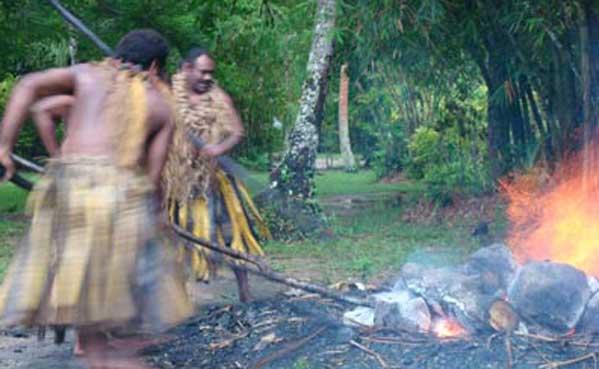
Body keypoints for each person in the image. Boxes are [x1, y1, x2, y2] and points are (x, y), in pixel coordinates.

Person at [0, 29, 192, 369]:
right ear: (155, 67)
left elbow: (28, 86)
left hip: (68, 189)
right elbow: (152, 179)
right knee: (112, 305)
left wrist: (4, 147)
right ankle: (113, 356)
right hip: (118, 198)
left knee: (91, 315)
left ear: (116, 57)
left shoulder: (88, 74)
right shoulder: (161, 105)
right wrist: (157, 217)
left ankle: (102, 354)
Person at [163, 48, 271, 303]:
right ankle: (179, 299)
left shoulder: (218, 97)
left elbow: (237, 132)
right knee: (175, 241)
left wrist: (217, 149)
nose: (208, 77)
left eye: (211, 73)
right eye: (203, 72)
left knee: (233, 238)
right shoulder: (168, 96)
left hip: (214, 181)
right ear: (187, 69)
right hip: (178, 183)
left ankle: (245, 292)